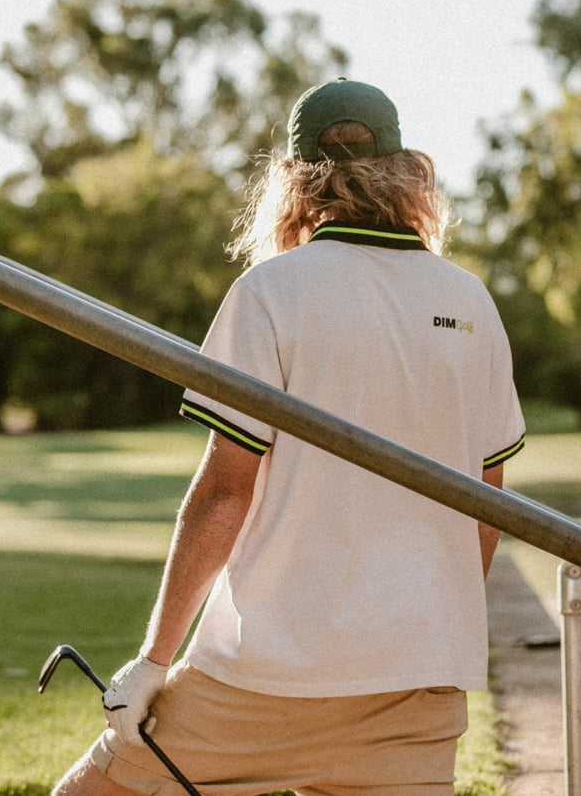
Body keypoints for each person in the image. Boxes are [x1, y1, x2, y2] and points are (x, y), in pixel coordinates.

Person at [53, 78, 526, 796]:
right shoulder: (469, 299)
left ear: (293, 177)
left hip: (266, 680)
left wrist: (152, 661)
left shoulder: (271, 290)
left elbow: (222, 492)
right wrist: (420, 625)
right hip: (418, 687)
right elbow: (486, 507)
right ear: (406, 170)